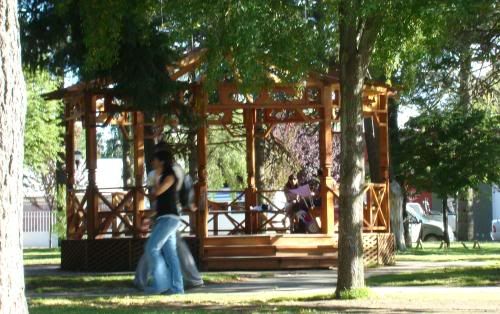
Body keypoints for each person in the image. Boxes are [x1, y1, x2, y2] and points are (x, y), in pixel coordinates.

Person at [144, 149, 184, 294]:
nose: (152, 162)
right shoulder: (160, 177)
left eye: (154, 159)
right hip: (163, 218)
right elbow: (158, 204)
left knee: (152, 248)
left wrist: (154, 181)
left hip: (170, 219)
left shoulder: (170, 176)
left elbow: (157, 193)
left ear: (161, 161)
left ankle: (162, 285)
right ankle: (177, 288)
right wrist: (147, 218)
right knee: (170, 255)